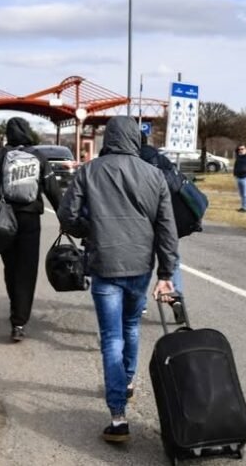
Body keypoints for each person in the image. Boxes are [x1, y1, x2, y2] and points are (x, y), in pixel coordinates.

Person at [58, 116, 178, 443]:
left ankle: (117, 416)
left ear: (108, 138)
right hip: (141, 266)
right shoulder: (154, 175)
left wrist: (88, 230)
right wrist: (167, 273)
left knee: (111, 337)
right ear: (136, 139)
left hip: (104, 264)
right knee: (131, 327)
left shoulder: (89, 171)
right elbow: (167, 229)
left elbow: (67, 215)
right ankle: (126, 382)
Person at [0, 117, 62, 342]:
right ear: (27, 133)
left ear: (8, 134)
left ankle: (14, 308)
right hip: (30, 220)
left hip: (4, 220)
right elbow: (53, 190)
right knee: (27, 270)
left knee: (11, 267)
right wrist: (64, 218)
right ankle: (19, 322)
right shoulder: (38, 157)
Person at [138, 134, 186, 323]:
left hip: (143, 217)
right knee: (171, 257)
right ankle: (176, 295)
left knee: (142, 259)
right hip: (166, 215)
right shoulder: (160, 158)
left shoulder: (132, 159)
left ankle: (139, 303)